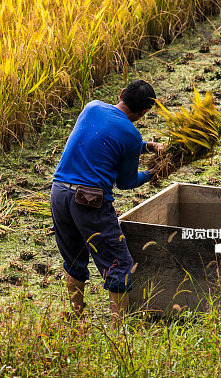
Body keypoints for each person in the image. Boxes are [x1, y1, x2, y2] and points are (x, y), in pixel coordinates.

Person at [50, 79, 164, 326]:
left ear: (122, 93)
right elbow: (126, 182)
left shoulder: (92, 107)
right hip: (89, 201)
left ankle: (76, 318)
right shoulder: (131, 135)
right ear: (144, 112)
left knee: (74, 259)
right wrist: (153, 174)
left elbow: (103, 139)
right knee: (118, 263)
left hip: (59, 193)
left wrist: (147, 147)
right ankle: (117, 330)